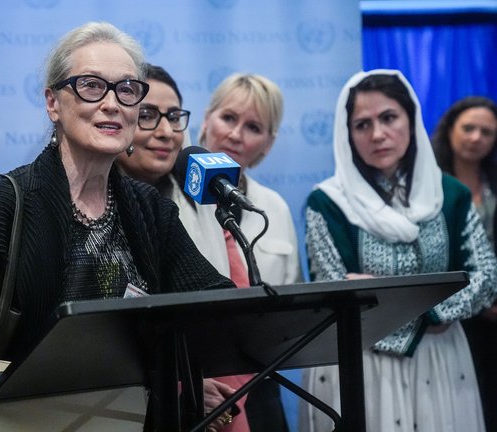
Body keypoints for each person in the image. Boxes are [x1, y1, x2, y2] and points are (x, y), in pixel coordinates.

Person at [0, 22, 235, 432]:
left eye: (126, 89)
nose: (111, 103)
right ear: (53, 103)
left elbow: (213, 308)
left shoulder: (150, 212)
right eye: (90, 85)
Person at [299, 69, 497, 432]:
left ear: (411, 118)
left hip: (440, 358)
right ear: (347, 135)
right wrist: (427, 293)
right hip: (359, 360)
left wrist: (432, 310)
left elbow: (486, 278)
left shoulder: (450, 195)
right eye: (362, 124)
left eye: (389, 117)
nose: (378, 134)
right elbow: (332, 286)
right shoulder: (326, 202)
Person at [117, 70, 299, 431]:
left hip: (256, 381)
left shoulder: (270, 207)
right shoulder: (170, 192)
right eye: (228, 118)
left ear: (269, 142)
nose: (235, 134)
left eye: (253, 127)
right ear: (206, 120)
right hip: (174, 389)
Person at [432, 96, 497, 431]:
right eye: (468, 128)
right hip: (447, 315)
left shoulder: (493, 186)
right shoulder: (429, 186)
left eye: (486, 132)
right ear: (450, 131)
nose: (476, 138)